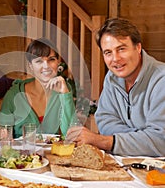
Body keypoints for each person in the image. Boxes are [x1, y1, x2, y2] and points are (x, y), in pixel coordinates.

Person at [66, 18, 165, 157]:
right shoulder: (112, 78)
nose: (115, 59)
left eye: (121, 49)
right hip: (126, 163)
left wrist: (107, 141)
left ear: (138, 47)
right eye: (108, 52)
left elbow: (160, 141)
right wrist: (139, 139)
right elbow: (104, 119)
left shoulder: (161, 80)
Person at [0, 38, 76, 139]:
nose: (46, 66)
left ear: (58, 62)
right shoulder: (14, 93)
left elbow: (71, 135)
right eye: (39, 61)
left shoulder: (64, 91)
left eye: (51, 59)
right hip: (21, 153)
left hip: (53, 154)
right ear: (30, 65)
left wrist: (65, 94)